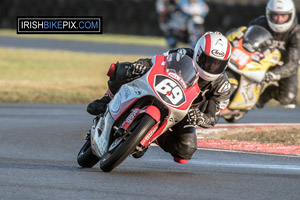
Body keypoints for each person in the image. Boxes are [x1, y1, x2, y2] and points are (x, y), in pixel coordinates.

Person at [87, 32, 231, 163]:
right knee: (123, 69)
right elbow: (156, 62)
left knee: (186, 149)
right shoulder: (183, 53)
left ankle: (149, 136)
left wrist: (199, 117)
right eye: (207, 60)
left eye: (218, 64)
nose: (211, 66)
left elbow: (212, 117)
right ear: (198, 53)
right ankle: (107, 99)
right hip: (159, 87)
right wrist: (140, 65)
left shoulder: (222, 86)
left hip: (184, 111)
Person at [249, 0, 300, 109]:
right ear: (268, 14)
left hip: (284, 66)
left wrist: (272, 74)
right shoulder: (260, 23)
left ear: (291, 14)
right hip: (259, 61)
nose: (279, 19)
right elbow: (246, 38)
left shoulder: (296, 33)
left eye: (283, 16)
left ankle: (266, 94)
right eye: (275, 15)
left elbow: (293, 64)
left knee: (287, 98)